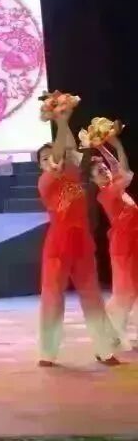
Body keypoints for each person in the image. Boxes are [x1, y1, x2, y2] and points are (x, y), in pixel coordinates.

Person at [35, 109, 122, 366]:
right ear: (40, 165)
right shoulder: (46, 182)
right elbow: (59, 154)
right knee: (53, 298)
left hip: (82, 243)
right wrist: (60, 122)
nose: (51, 159)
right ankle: (47, 352)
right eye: (44, 158)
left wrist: (64, 121)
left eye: (53, 155)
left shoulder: (72, 172)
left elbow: (70, 148)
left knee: (92, 296)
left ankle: (104, 349)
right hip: (58, 246)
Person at [90, 136, 137, 350]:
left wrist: (101, 146)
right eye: (99, 172)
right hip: (123, 245)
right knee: (126, 292)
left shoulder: (116, 188)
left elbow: (116, 167)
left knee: (131, 291)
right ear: (94, 181)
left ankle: (113, 330)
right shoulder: (108, 193)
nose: (105, 171)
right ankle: (108, 327)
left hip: (132, 241)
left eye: (104, 169)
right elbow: (124, 171)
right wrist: (116, 144)